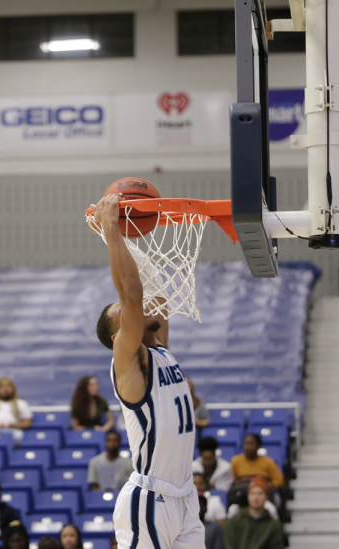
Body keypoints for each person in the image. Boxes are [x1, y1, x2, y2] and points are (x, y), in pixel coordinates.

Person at [92, 192, 204, 548]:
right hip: (149, 501)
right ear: (118, 335)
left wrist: (129, 233)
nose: (136, 316)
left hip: (185, 497)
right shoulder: (129, 362)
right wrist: (111, 229)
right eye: (123, 316)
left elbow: (155, 297)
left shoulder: (161, 351)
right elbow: (133, 296)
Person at [223, 477, 283, 549]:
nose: (256, 497)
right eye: (252, 493)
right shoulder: (234, 521)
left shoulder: (274, 525)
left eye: (260, 493)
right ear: (247, 496)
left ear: (266, 497)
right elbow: (229, 545)